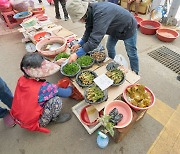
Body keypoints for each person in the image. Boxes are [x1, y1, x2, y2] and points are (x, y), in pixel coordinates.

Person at [66, 0, 139, 74]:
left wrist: (77, 54)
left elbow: (94, 41)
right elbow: (89, 30)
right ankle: (113, 64)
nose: (81, 21)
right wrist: (80, 43)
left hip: (128, 27)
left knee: (131, 53)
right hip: (115, 28)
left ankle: (135, 73)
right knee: (110, 47)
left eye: (80, 18)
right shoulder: (90, 12)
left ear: (84, 13)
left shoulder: (100, 14)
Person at [10, 53, 72, 133]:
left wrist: (56, 63)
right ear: (37, 74)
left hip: (20, 117)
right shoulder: (46, 88)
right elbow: (67, 93)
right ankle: (53, 118)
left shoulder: (22, 79)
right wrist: (71, 85)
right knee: (56, 100)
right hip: (34, 122)